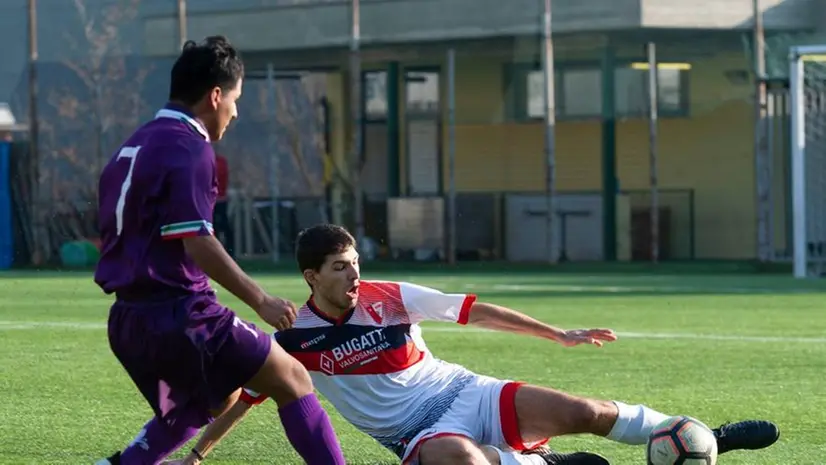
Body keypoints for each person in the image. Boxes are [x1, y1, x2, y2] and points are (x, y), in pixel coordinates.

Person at [164, 223, 780, 465]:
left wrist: (557, 333)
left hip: (465, 390)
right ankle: (546, 464)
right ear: (310, 278)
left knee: (586, 412)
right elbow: (245, 398)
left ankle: (707, 440)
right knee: (465, 463)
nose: (354, 275)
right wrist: (196, 453)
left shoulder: (390, 295)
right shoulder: (293, 338)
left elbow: (473, 311)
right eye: (339, 268)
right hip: (421, 437)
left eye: (355, 263)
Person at [92, 37, 346, 465]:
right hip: (183, 316)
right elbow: (198, 240)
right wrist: (260, 300)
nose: (235, 111)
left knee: (198, 405)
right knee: (293, 378)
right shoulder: (190, 147)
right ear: (214, 96)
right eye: (235, 98)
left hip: (128, 322)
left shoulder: (130, 148)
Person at [212, 152, 235, 258]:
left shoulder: (219, 162)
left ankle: (226, 254)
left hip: (217, 200)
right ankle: (219, 254)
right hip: (215, 200)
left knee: (221, 228)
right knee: (215, 228)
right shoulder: (218, 161)